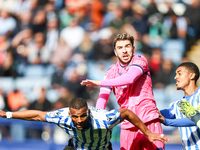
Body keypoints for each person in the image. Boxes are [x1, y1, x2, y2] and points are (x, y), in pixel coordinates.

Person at [81, 33, 165, 150]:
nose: (124, 51)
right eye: (120, 48)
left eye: (127, 46)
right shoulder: (111, 71)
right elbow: (102, 99)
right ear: (115, 52)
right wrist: (97, 123)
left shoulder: (140, 60)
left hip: (148, 120)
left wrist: (100, 82)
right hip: (127, 125)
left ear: (133, 49)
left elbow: (129, 79)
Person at [0, 97, 169, 150]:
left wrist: (147, 133)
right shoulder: (63, 117)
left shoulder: (103, 119)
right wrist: (7, 114)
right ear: (69, 114)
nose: (79, 121)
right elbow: (37, 115)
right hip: (76, 147)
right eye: (75, 117)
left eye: (82, 116)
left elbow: (125, 112)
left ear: (88, 112)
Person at [157, 62, 200, 150]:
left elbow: (196, 119)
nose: (175, 77)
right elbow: (160, 114)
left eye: (179, 74)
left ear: (192, 76)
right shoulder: (177, 104)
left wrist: (168, 122)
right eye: (176, 74)